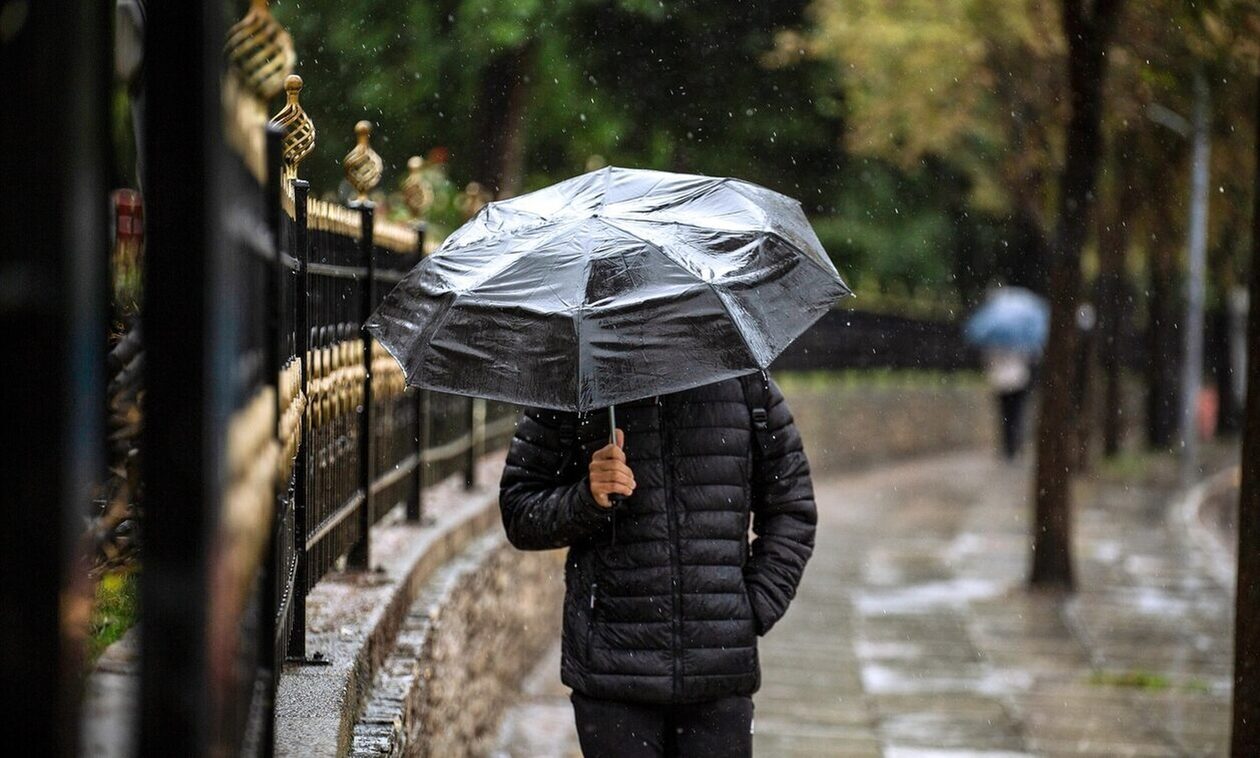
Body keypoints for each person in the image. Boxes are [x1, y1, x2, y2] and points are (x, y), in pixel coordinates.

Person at [499, 371, 817, 757]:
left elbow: (792, 509)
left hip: (718, 674)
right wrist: (588, 496)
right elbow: (519, 512)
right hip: (613, 673)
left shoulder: (745, 381)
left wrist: (752, 607)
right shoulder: (575, 385)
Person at [985, 347, 1034, 459]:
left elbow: (989, 362)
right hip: (1017, 381)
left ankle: (1009, 445)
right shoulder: (1020, 343)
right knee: (1016, 415)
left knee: (1006, 416)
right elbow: (1028, 358)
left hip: (1002, 382)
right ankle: (1016, 443)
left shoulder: (994, 341)